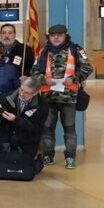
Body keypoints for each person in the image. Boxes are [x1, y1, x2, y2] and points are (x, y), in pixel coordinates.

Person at [34, 25, 93, 169]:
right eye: (53, 35)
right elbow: (34, 71)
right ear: (49, 37)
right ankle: (48, 155)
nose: (56, 37)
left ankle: (70, 157)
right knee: (47, 129)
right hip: (48, 97)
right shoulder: (43, 52)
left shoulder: (76, 49)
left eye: (59, 35)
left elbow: (88, 67)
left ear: (66, 36)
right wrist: (43, 79)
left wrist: (74, 78)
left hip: (69, 98)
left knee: (70, 129)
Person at [0, 77, 49, 179]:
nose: (21, 93)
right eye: (21, 89)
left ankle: (38, 163)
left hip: (28, 137)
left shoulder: (42, 105)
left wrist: (16, 120)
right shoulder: (9, 96)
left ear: (34, 93)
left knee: (26, 170)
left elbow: (36, 128)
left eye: (26, 92)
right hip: (7, 131)